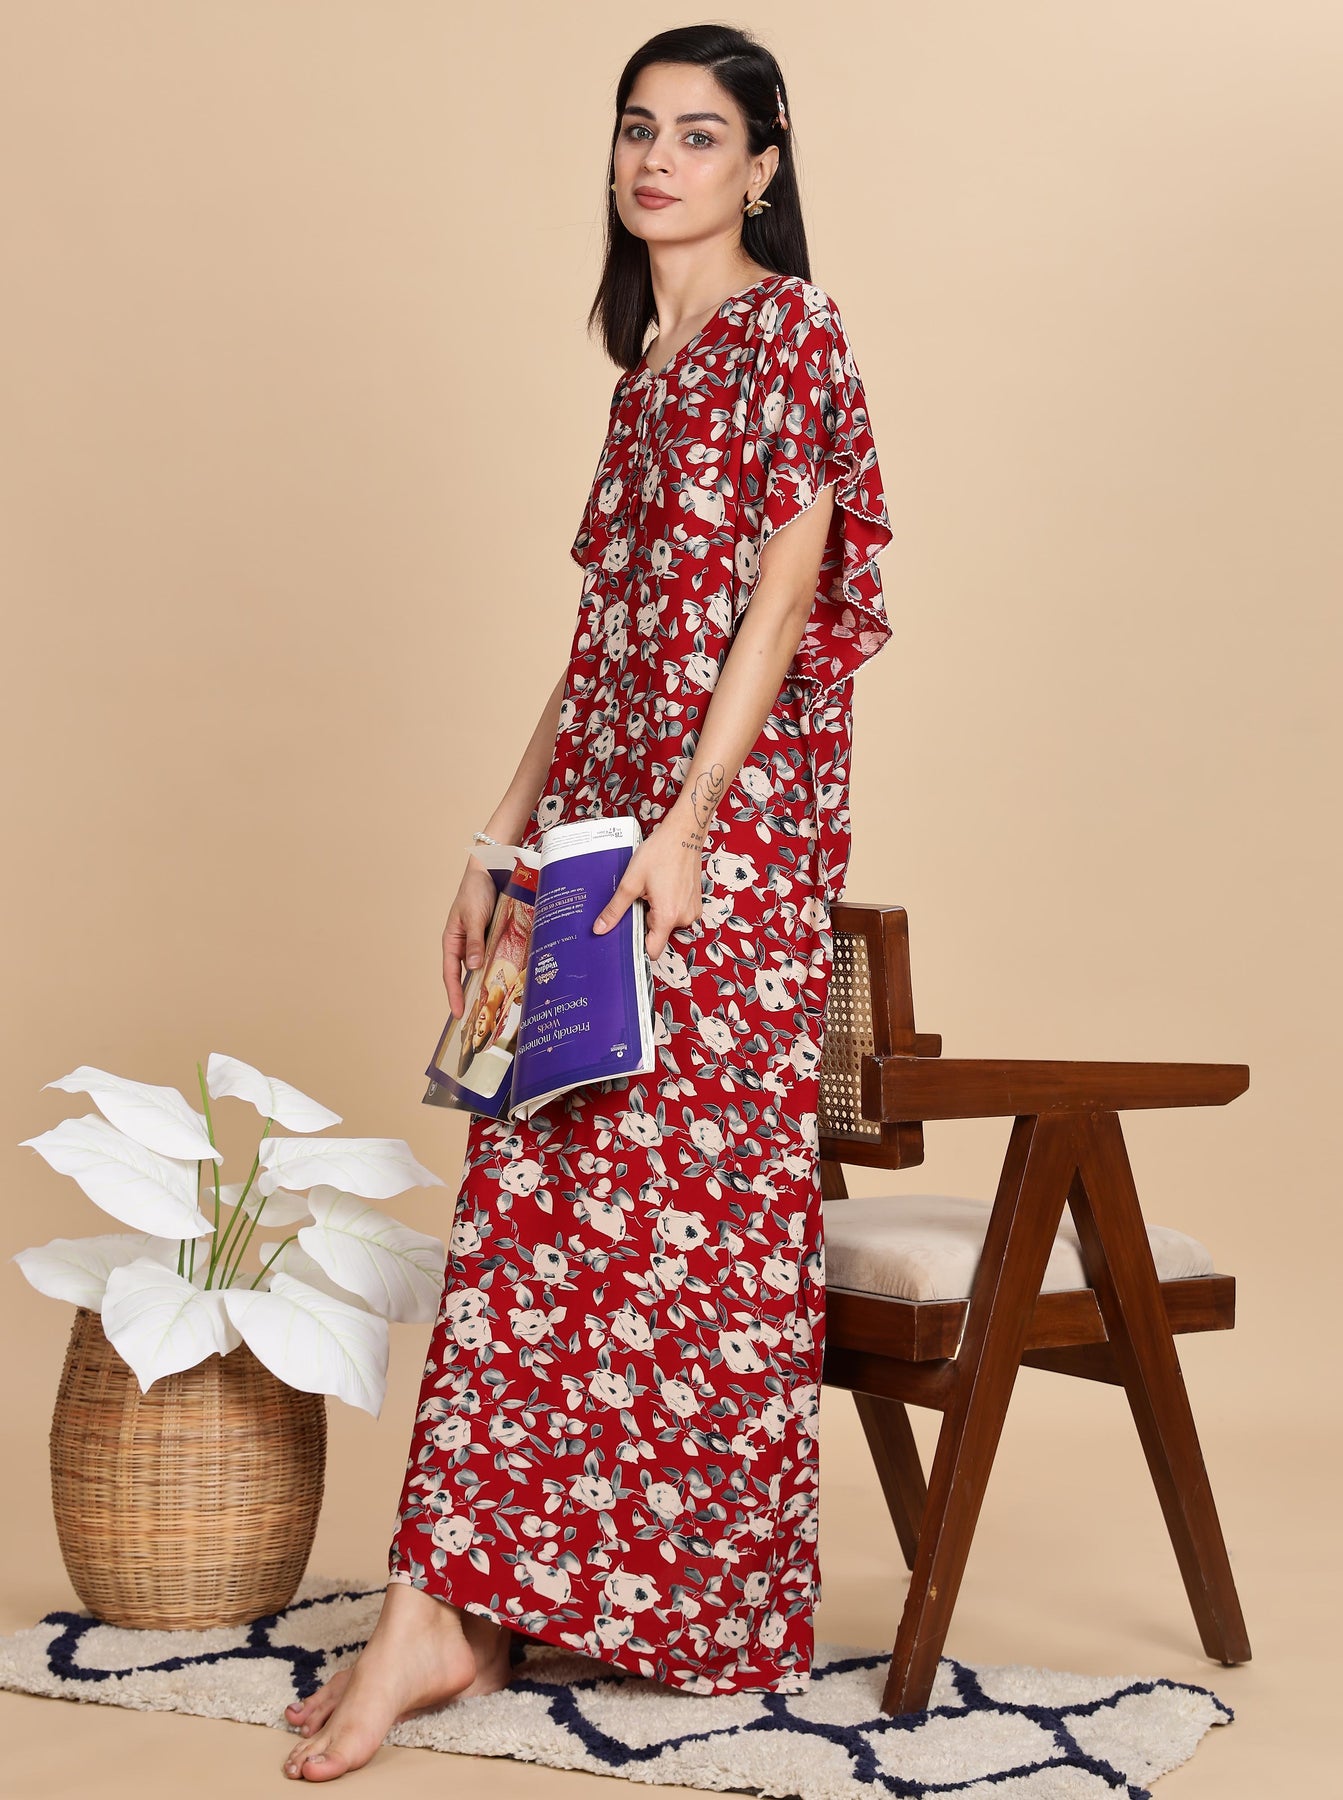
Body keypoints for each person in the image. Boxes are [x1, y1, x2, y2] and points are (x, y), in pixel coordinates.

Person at [282, 21, 893, 1782]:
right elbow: (605, 639)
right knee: (533, 1197)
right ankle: (455, 1608)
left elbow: (784, 594)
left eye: (697, 134)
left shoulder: (791, 331)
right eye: (637, 128)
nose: (656, 161)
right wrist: (499, 838)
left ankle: (656, 1608)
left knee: (682, 1224)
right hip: (597, 830)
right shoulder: (645, 376)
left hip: (726, 843)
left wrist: (690, 822)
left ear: (763, 164)